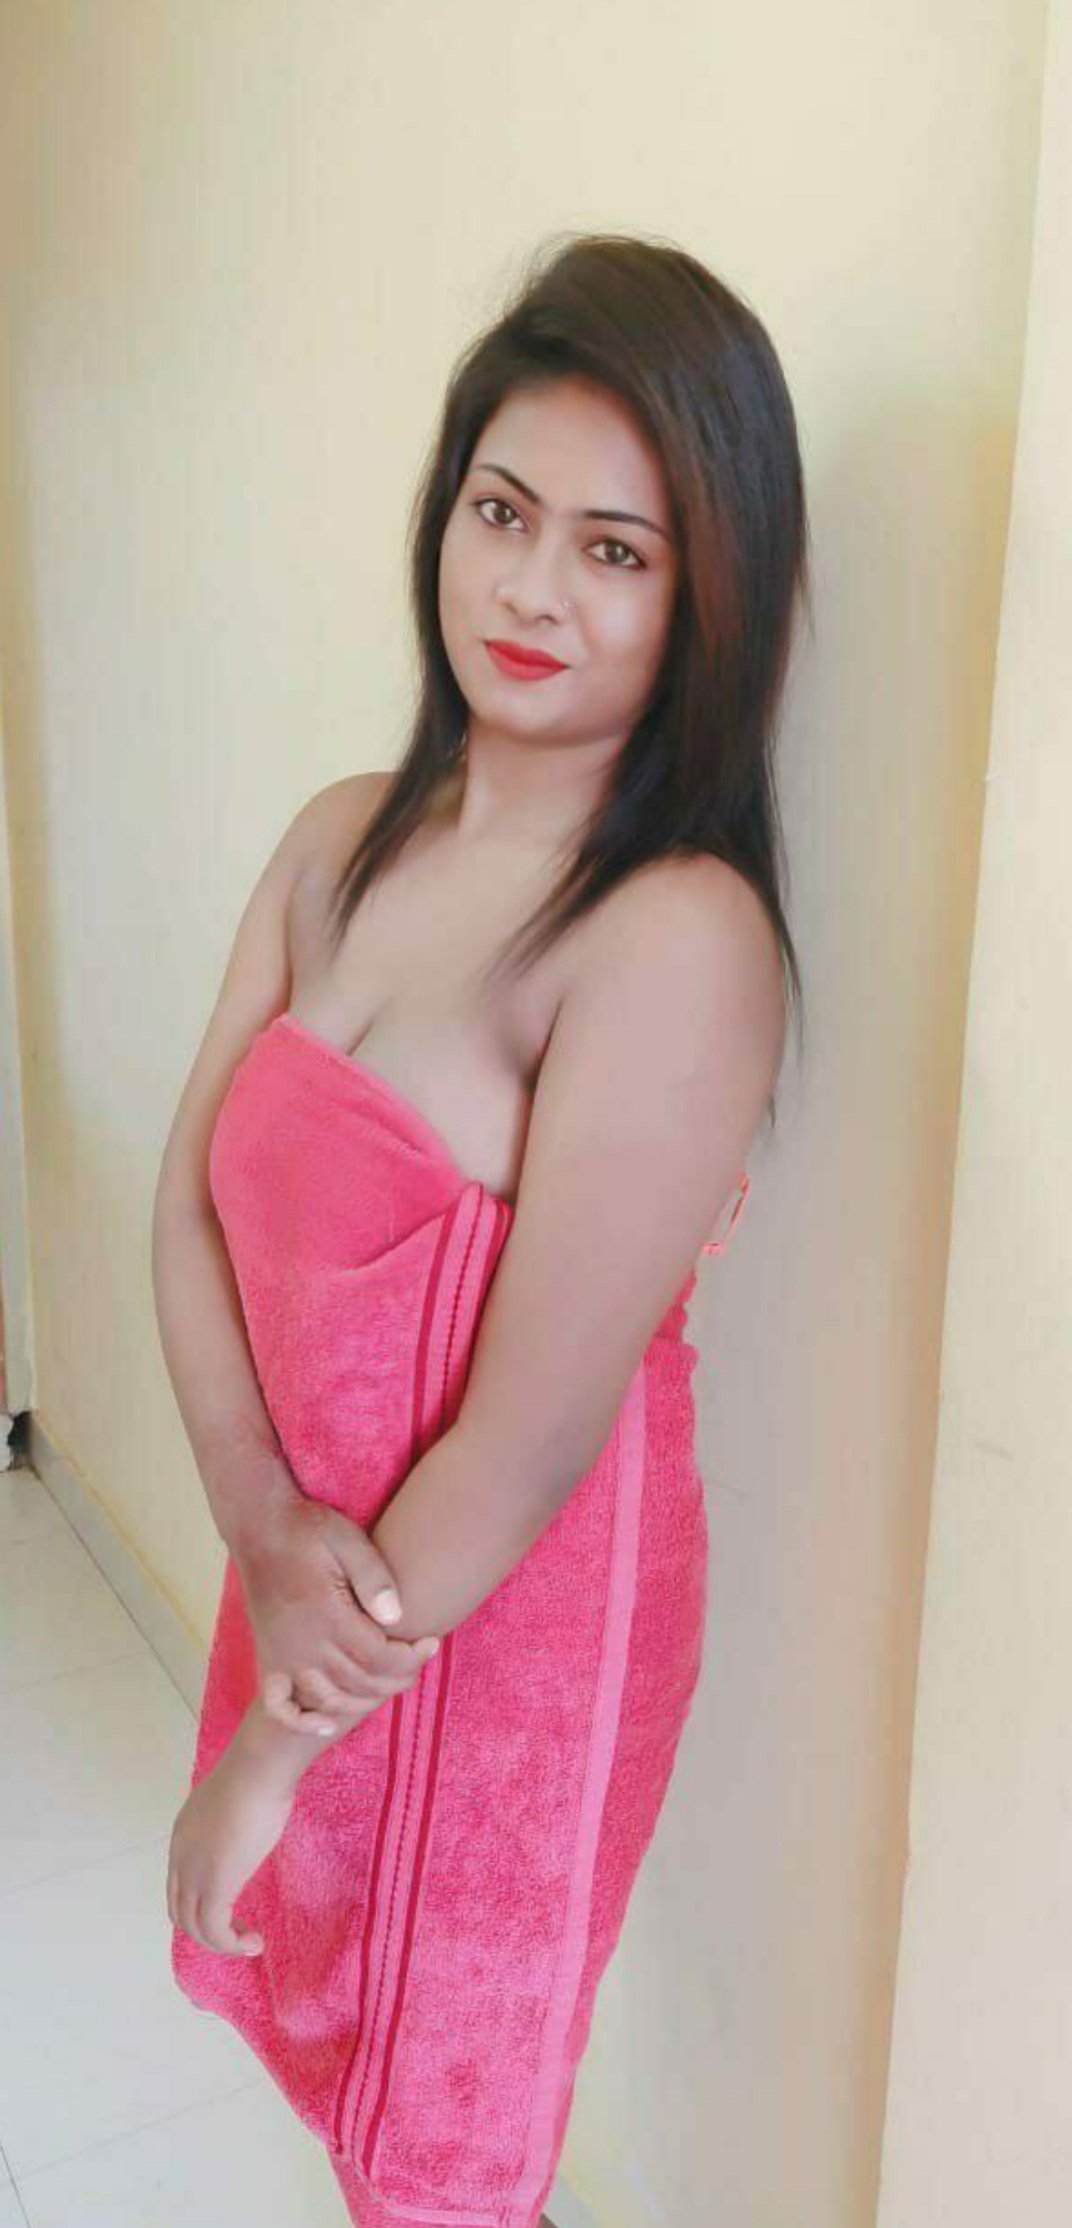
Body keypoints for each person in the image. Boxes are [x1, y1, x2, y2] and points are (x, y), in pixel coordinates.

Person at [154, 230, 808, 2228]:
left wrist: (269, 1745)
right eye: (502, 511)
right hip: (314, 1588)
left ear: (704, 598)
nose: (530, 587)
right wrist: (263, 1529)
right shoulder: (338, 839)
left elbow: (527, 1442)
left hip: (508, 1639)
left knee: (443, 2149)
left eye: (615, 550)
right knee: (339, 2081)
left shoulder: (675, 934)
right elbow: (191, 1205)